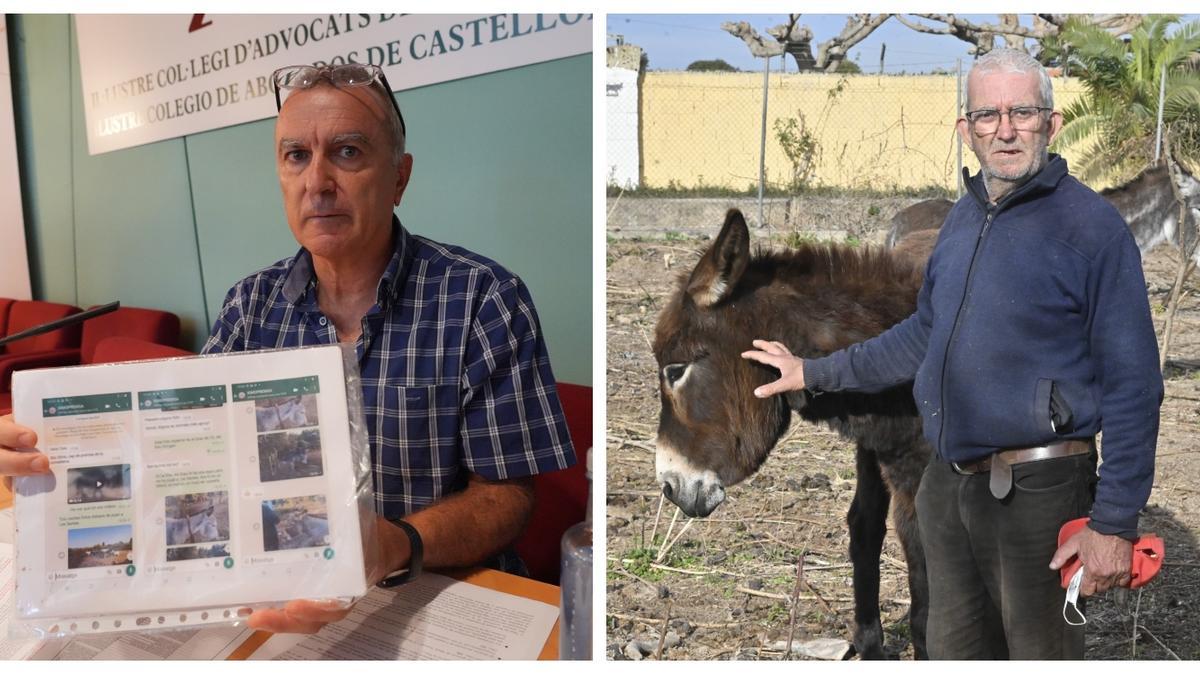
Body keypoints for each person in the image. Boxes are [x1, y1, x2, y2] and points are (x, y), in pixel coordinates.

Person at [1, 63, 576, 634]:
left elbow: (509, 496)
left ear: (399, 178)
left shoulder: (482, 297)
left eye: (347, 152)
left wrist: (395, 543)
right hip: (281, 597)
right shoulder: (251, 304)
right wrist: (43, 463)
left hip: (440, 594)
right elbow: (185, 456)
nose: (317, 182)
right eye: (296, 155)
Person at [742, 49, 1162, 659]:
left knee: (1038, 655)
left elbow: (1134, 386)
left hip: (1039, 488)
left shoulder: (1091, 230)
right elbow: (921, 335)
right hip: (949, 483)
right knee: (951, 651)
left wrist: (1114, 523)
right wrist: (815, 372)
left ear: (1053, 122)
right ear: (966, 130)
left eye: (1023, 111)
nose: (1006, 128)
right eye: (988, 115)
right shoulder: (963, 221)